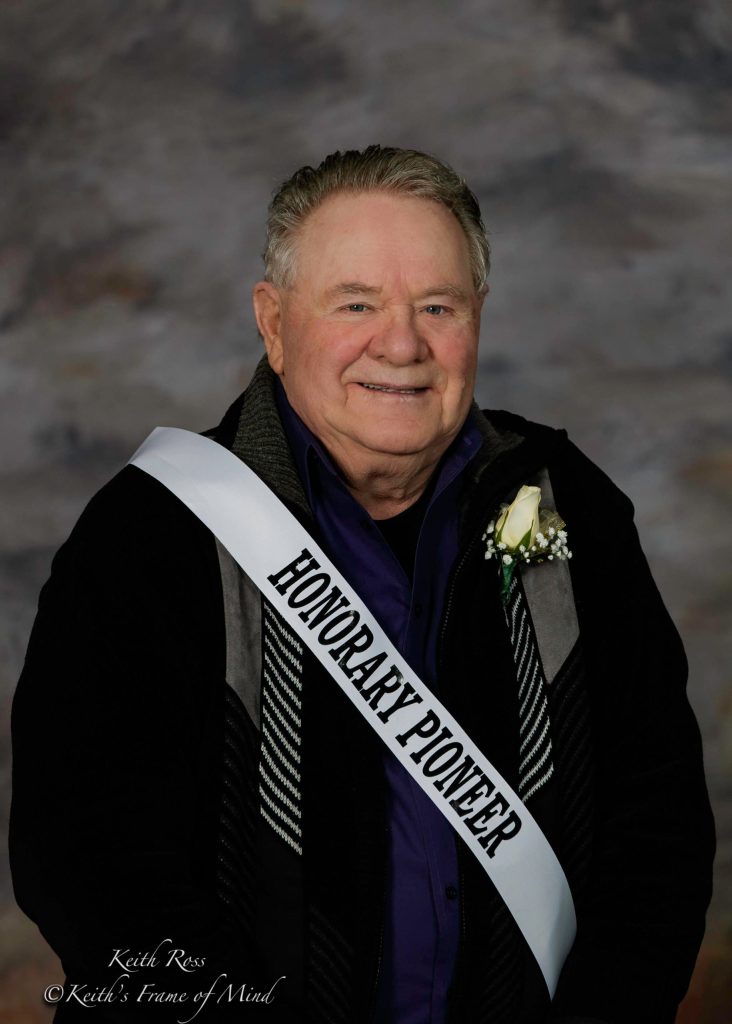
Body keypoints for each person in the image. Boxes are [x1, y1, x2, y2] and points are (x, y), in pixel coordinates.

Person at [9, 145, 714, 1024]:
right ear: (273, 323)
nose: (403, 342)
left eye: (437, 305)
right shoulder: (150, 535)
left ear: (477, 318)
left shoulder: (567, 507)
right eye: (356, 303)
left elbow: (657, 832)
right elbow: (88, 864)